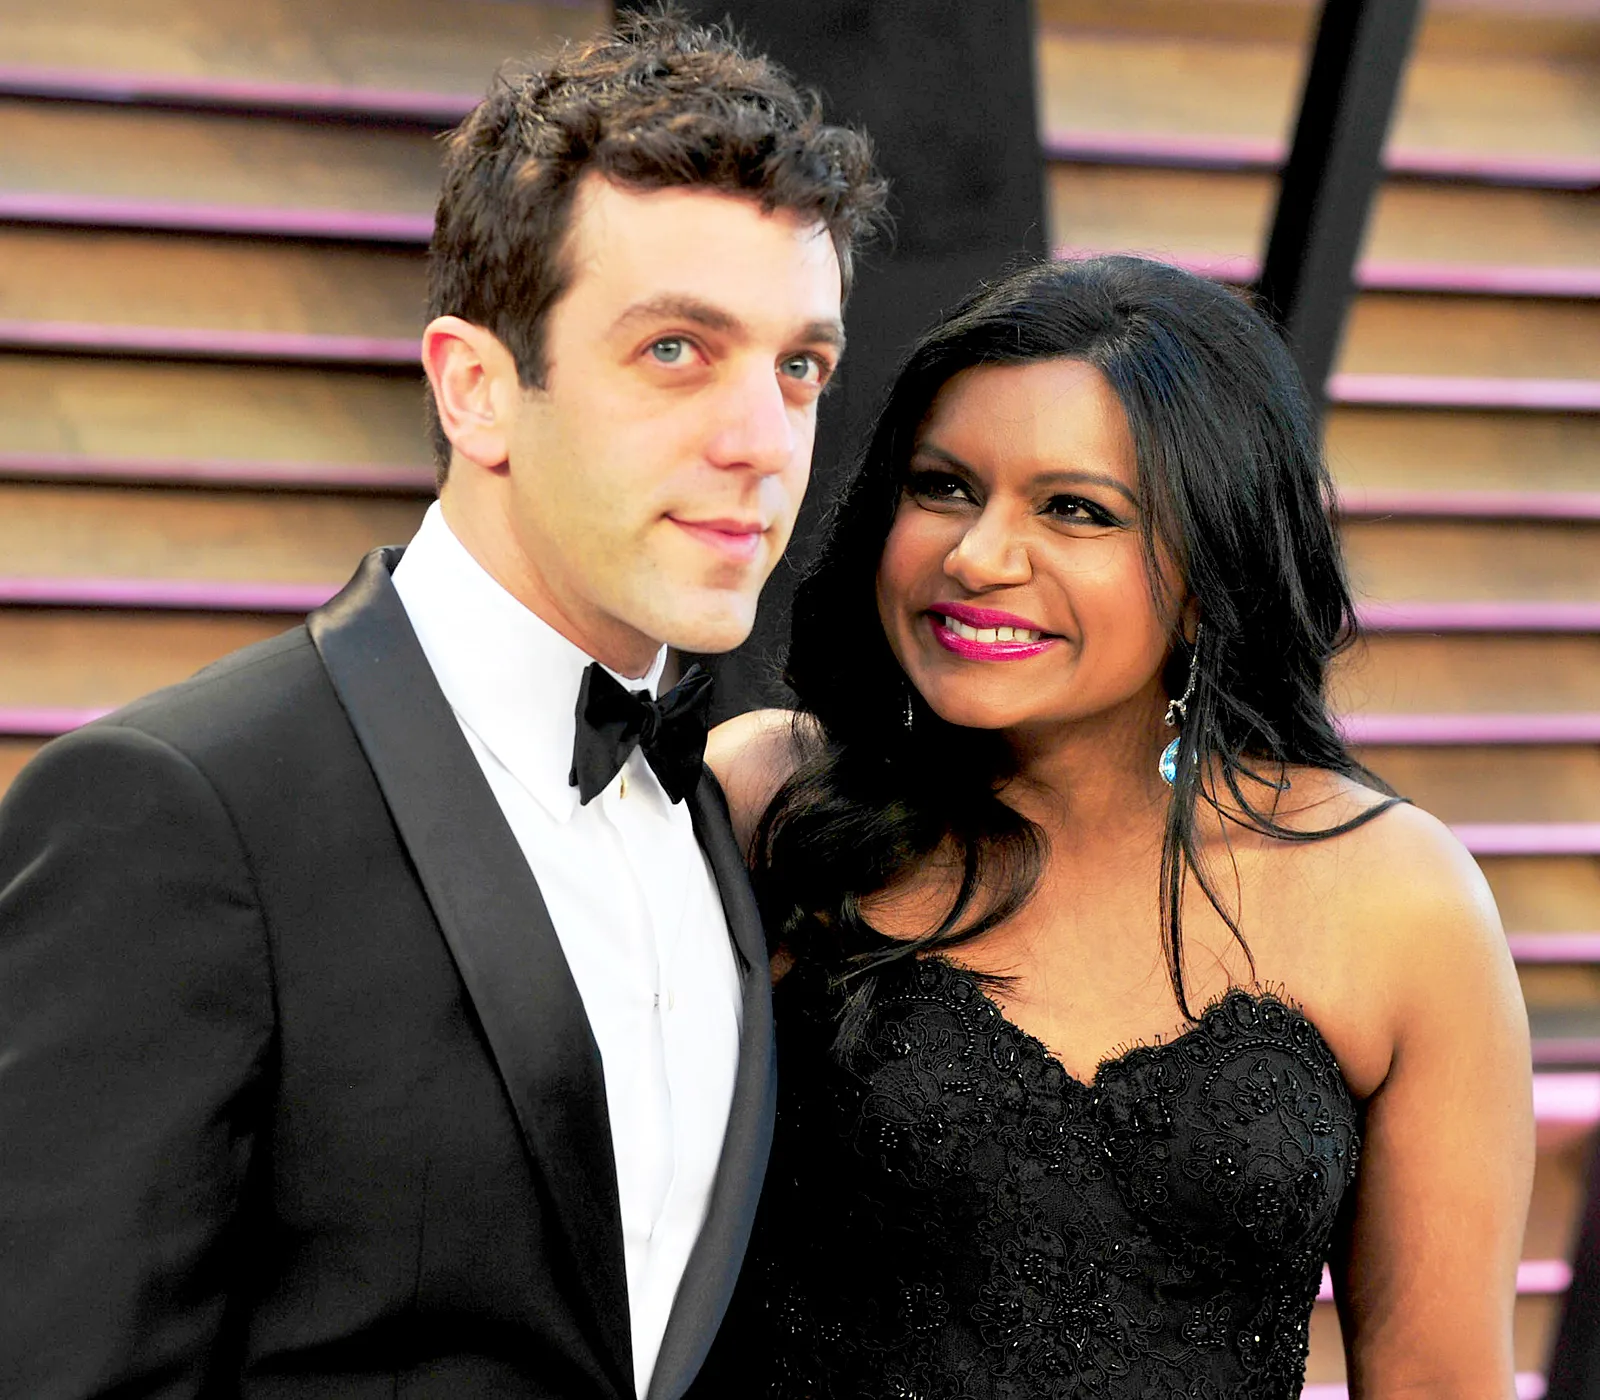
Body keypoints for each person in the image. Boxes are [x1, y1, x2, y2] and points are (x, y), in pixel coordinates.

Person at [0, 15, 885, 1399]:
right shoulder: (175, 814)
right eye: (674, 351)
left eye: (799, 368)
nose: (762, 443)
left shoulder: (722, 819)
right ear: (477, 387)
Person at [701, 255, 1534, 1398]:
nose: (978, 556)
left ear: (1209, 570)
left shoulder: (1399, 898)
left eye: (1075, 510)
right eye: (942, 486)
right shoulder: (765, 798)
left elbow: (1442, 1380)